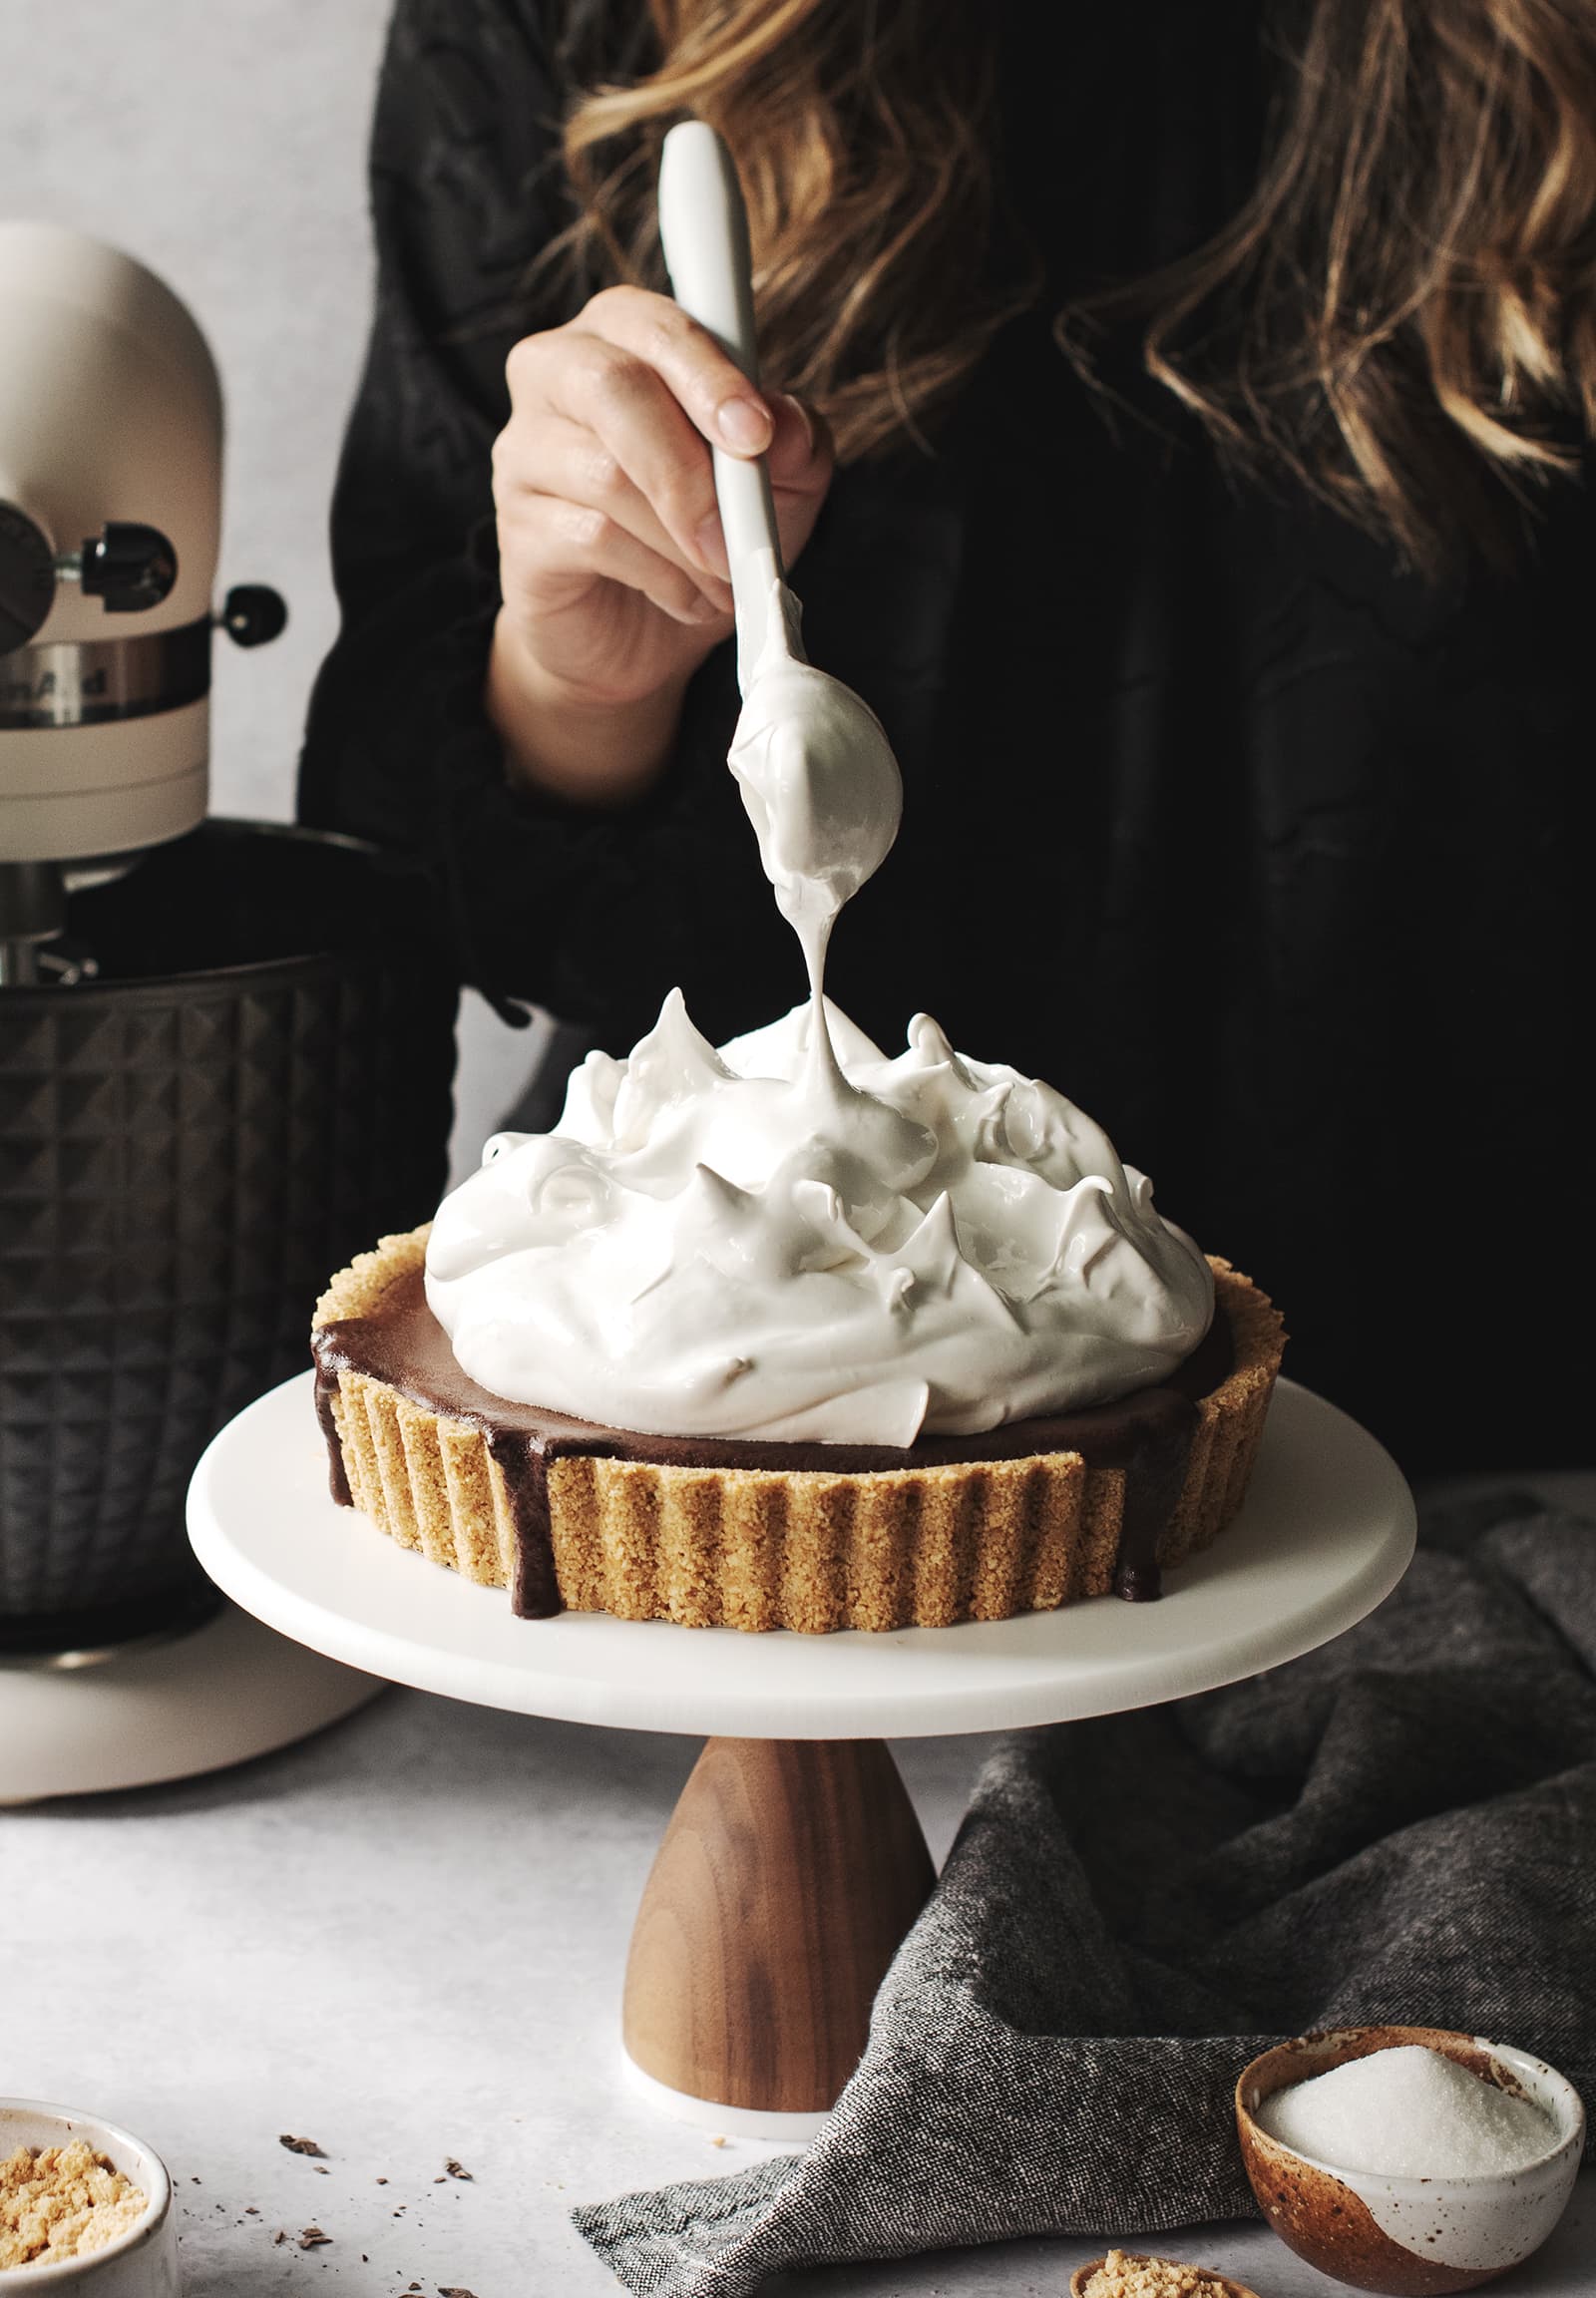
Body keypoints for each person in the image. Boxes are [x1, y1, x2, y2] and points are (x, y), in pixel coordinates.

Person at [298, 0, 1595, 1474]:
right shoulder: (588, 29)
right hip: (704, 1387)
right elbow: (415, 878)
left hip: (1493, 1398)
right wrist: (584, 687)